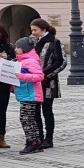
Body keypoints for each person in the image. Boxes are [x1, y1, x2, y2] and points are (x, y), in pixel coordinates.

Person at [30, 19, 64, 149]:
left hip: (48, 82)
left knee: (47, 110)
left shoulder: (54, 42)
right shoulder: (32, 42)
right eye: (32, 30)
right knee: (35, 110)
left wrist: (45, 74)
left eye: (35, 30)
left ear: (43, 29)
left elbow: (60, 62)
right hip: (34, 81)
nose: (33, 33)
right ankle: (39, 136)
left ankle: (49, 138)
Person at [10, 37, 46, 156]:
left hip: (31, 95)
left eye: (18, 47)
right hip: (25, 94)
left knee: (25, 119)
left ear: (24, 49)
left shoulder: (30, 61)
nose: (16, 49)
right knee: (29, 119)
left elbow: (39, 76)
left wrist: (21, 76)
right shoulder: (20, 61)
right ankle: (35, 142)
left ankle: (32, 143)